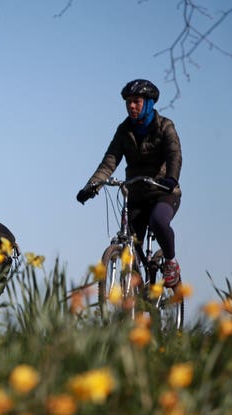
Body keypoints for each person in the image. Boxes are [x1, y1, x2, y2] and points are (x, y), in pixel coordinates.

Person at [76, 79, 183, 288]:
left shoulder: (165, 126)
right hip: (136, 193)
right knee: (131, 242)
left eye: (136, 102)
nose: (131, 106)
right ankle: (137, 287)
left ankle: (170, 262)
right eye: (128, 102)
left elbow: (174, 154)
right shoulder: (124, 131)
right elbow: (109, 161)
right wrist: (91, 186)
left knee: (159, 221)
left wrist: (171, 177)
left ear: (149, 103)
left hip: (164, 190)